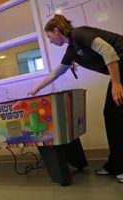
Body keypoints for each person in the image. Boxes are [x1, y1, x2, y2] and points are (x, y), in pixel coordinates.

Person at [28, 14, 123, 183]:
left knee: (119, 117)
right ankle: (116, 164)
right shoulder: (71, 50)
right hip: (119, 72)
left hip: (120, 69)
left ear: (56, 31)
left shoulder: (79, 34)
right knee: (110, 114)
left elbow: (107, 51)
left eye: (49, 37)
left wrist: (116, 82)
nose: (50, 41)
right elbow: (56, 73)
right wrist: (36, 89)